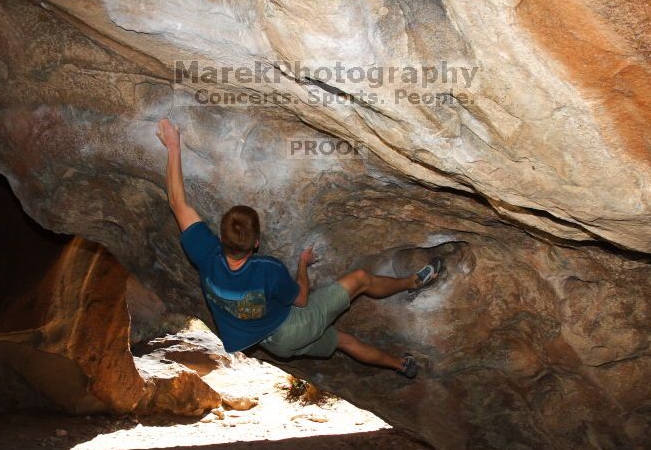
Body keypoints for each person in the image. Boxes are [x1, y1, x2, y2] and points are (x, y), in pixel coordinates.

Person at [156, 118, 442, 378]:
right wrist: (303, 264)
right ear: (256, 242)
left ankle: (399, 365)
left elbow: (176, 203)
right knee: (361, 280)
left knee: (342, 341)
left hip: (274, 345)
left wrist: (172, 146)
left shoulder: (206, 256)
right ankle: (411, 282)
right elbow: (302, 300)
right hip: (293, 326)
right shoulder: (267, 270)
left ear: (220, 237)